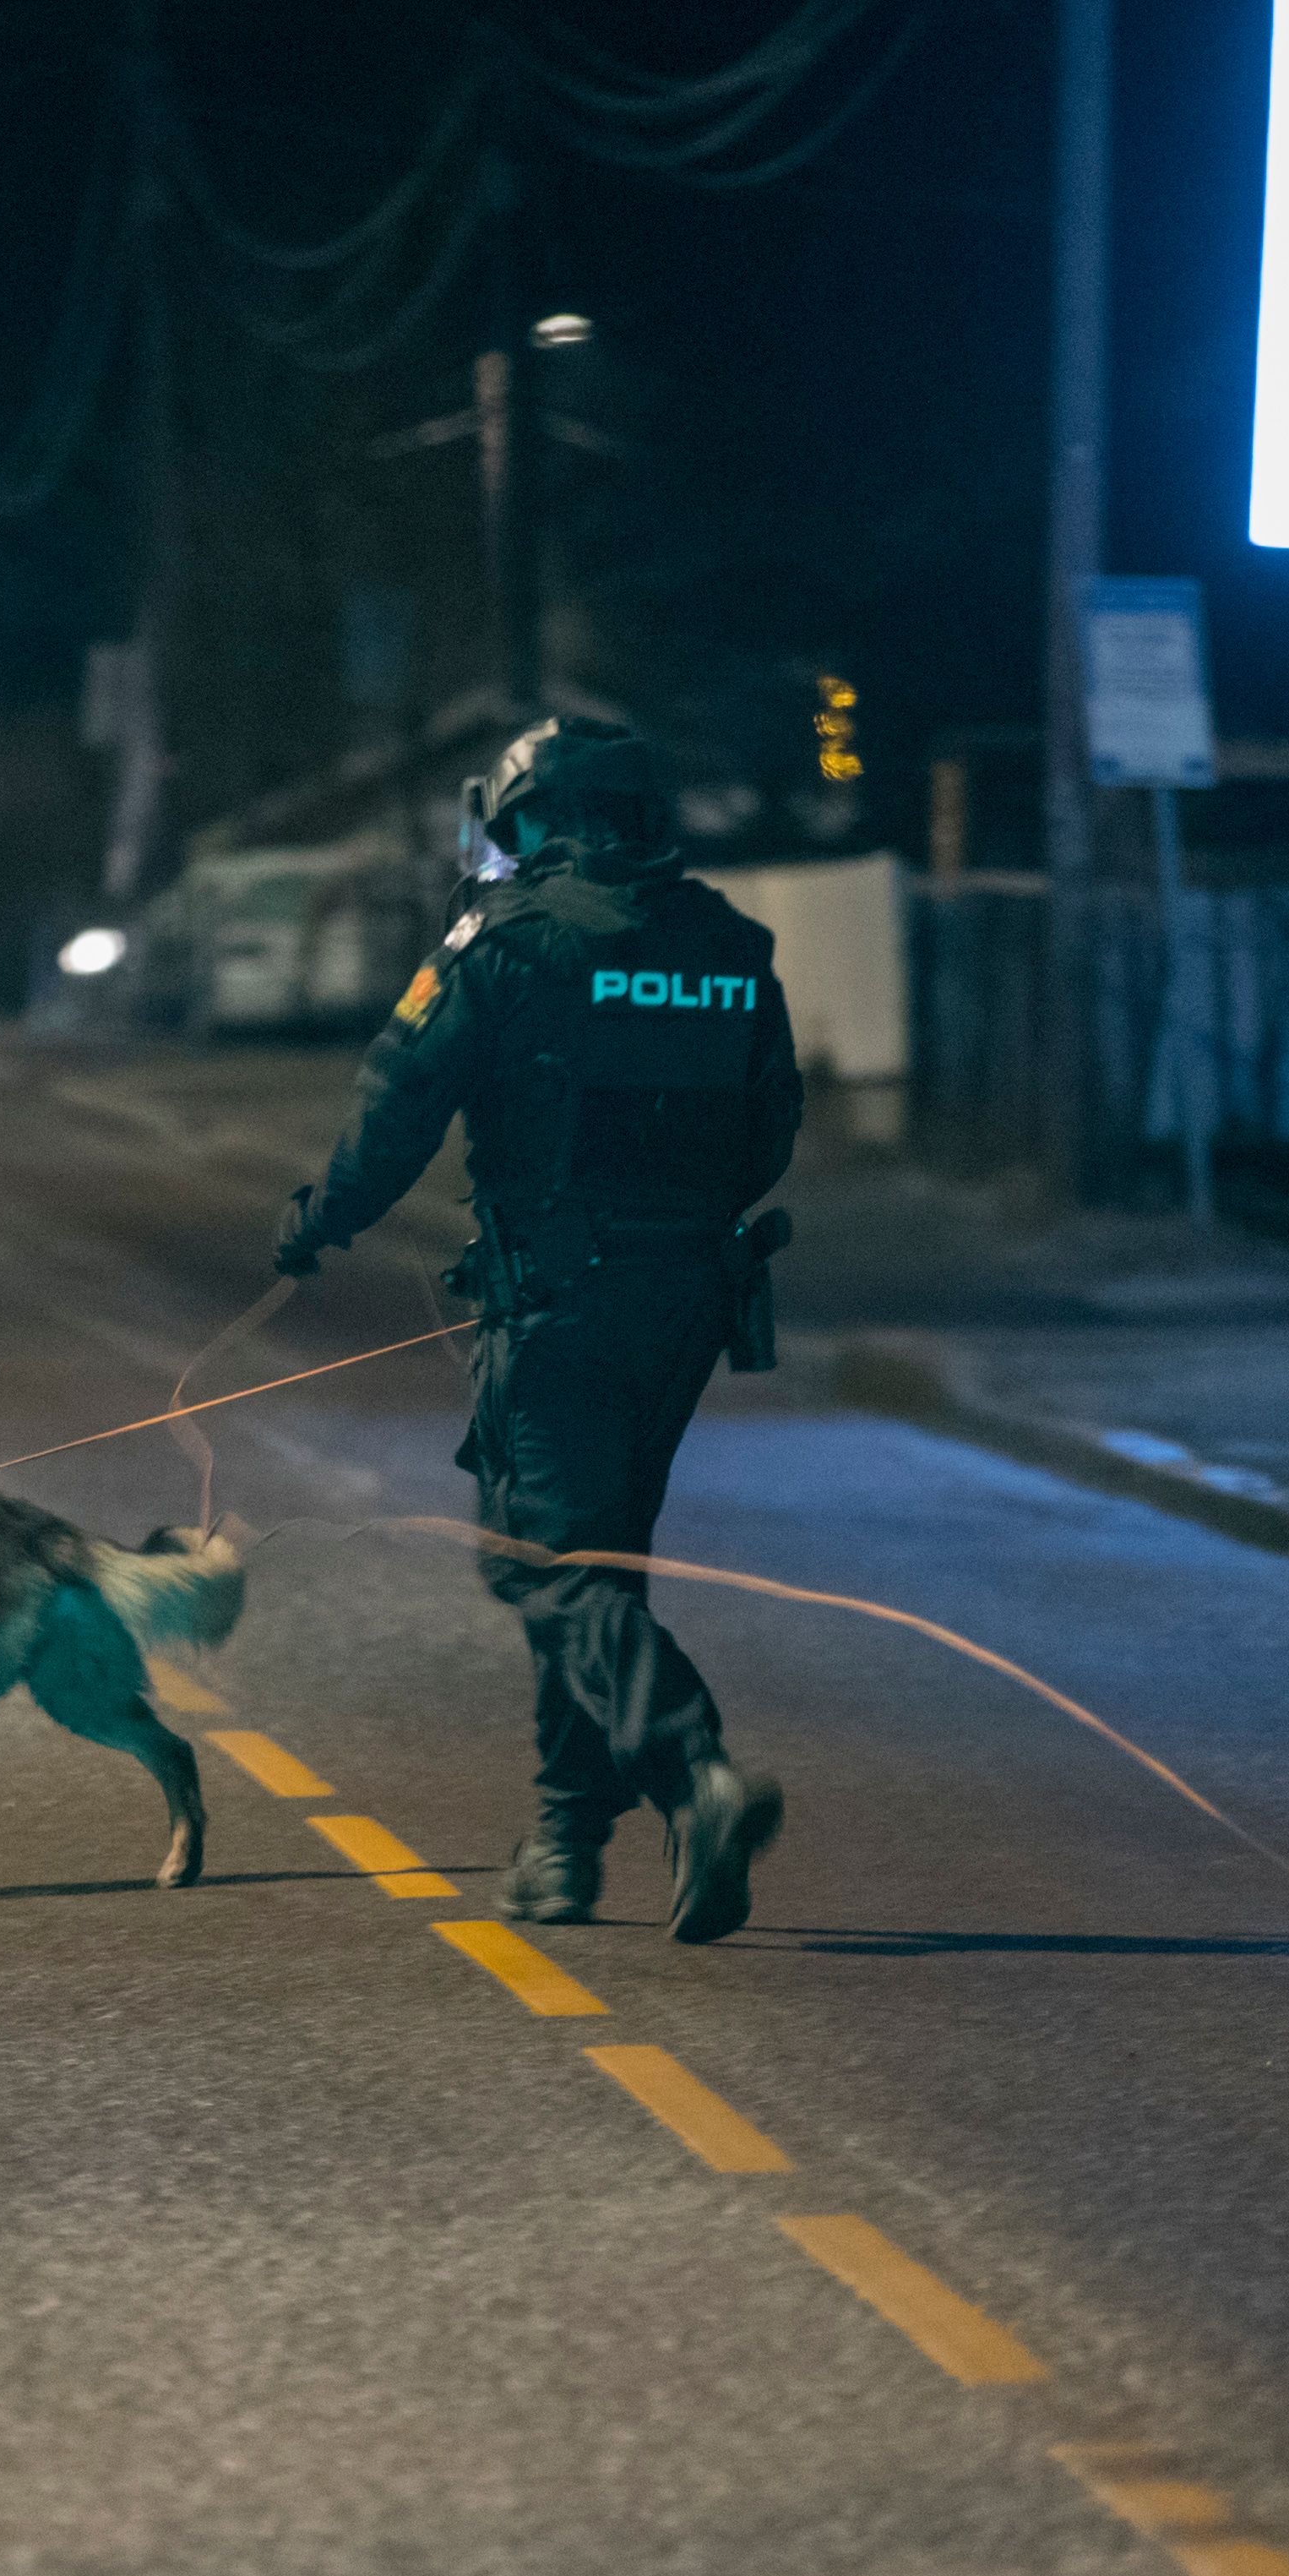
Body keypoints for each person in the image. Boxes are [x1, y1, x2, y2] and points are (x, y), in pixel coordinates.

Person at [272, 719, 802, 1941]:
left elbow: (398, 1107)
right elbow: (771, 1128)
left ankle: (695, 1770)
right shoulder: (729, 944)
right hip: (687, 1305)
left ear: (529, 821)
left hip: (558, 1302)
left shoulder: (501, 942)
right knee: (599, 1565)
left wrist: (319, 1220)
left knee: (541, 1566)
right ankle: (567, 1849)